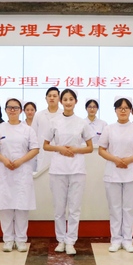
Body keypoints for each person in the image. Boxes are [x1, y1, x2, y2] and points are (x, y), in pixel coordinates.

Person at [43, 89, 94, 255]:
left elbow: (90, 147)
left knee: (74, 208)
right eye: (65, 99)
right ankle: (61, 240)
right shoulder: (54, 121)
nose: (68, 102)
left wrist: (75, 149)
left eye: (71, 99)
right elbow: (45, 145)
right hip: (58, 169)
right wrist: (60, 148)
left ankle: (71, 241)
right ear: (61, 101)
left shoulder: (82, 122)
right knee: (59, 208)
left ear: (76, 102)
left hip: (77, 169)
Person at [98, 96, 133, 253]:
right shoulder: (109, 129)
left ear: (130, 111)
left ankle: (127, 240)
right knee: (114, 208)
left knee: (129, 208)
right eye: (120, 108)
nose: (123, 110)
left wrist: (129, 160)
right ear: (115, 110)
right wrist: (115, 159)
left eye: (126, 108)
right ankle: (115, 239)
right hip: (112, 172)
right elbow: (101, 150)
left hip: (131, 172)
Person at [0, 98, 39, 252]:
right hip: (4, 171)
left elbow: (35, 149)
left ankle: (21, 239)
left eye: (16, 107)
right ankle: (8, 239)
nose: (12, 110)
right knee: (5, 206)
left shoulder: (28, 130)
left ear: (20, 110)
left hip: (22, 171)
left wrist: (20, 161)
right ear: (5, 110)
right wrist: (5, 160)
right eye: (10, 107)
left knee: (22, 206)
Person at [31, 87, 62, 170]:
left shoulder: (64, 114)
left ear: (59, 98)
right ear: (46, 98)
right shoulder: (38, 115)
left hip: (60, 154)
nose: (52, 98)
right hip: (43, 154)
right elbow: (33, 136)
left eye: (54, 96)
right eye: (49, 96)